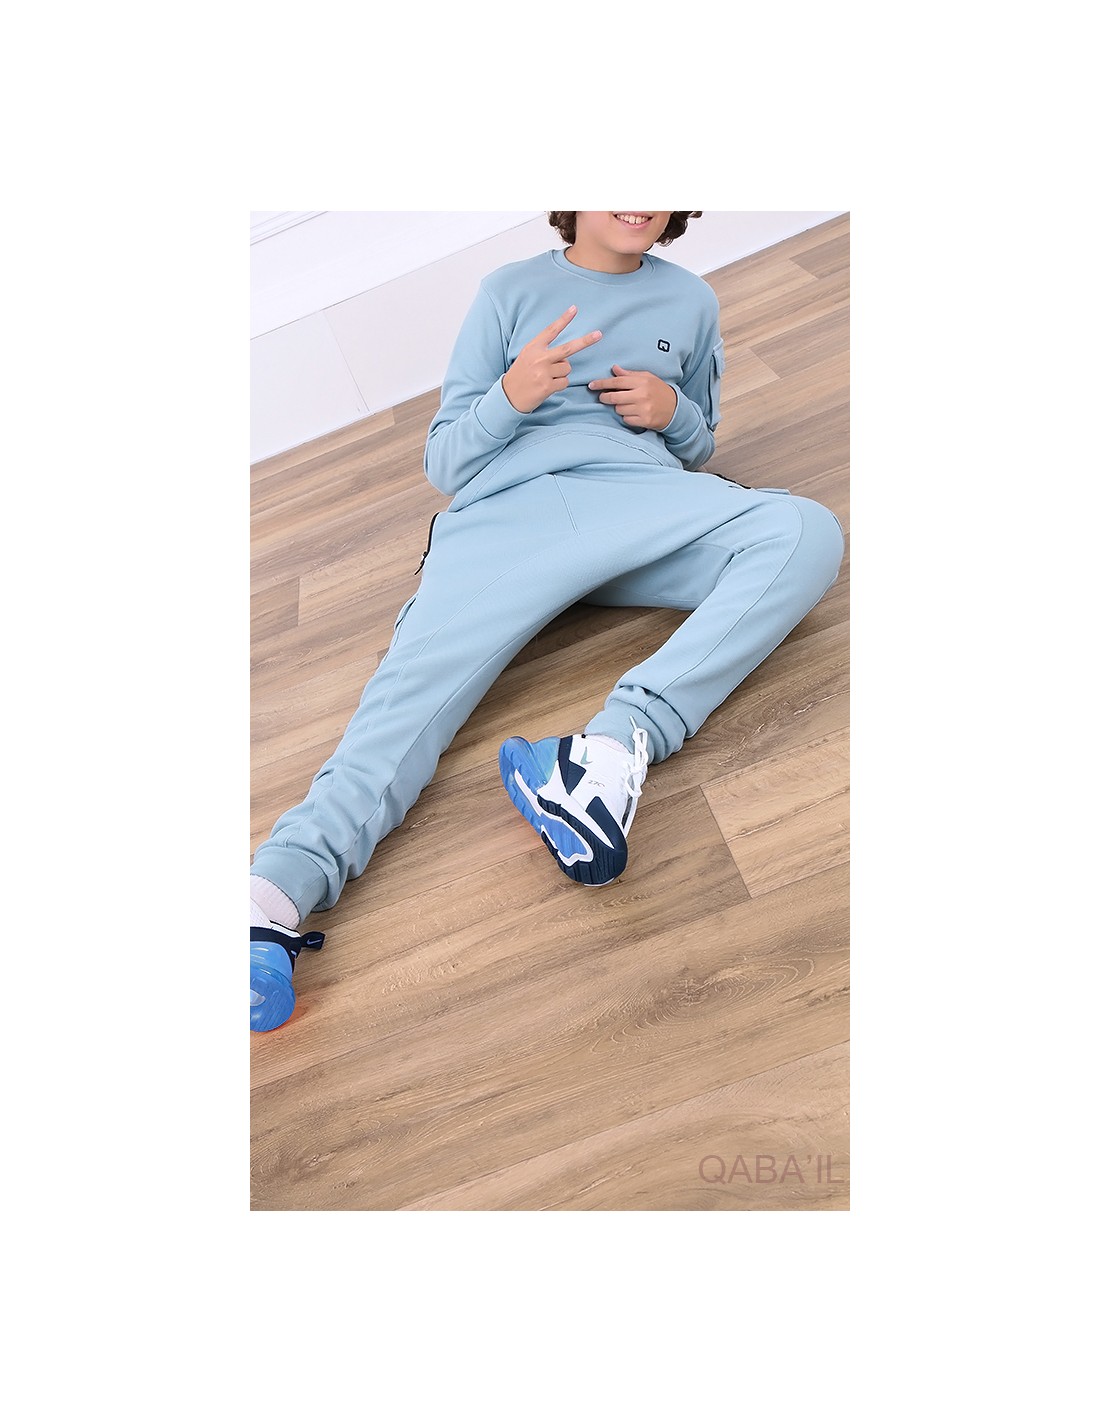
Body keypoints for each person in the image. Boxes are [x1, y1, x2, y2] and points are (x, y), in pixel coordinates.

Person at [249, 210, 845, 1032]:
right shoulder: (508, 292)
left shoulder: (692, 302)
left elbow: (699, 446)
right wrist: (510, 398)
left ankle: (606, 756)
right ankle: (270, 900)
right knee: (403, 709)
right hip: (507, 519)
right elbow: (445, 460)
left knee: (804, 530)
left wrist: (672, 410)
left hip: (639, 504)